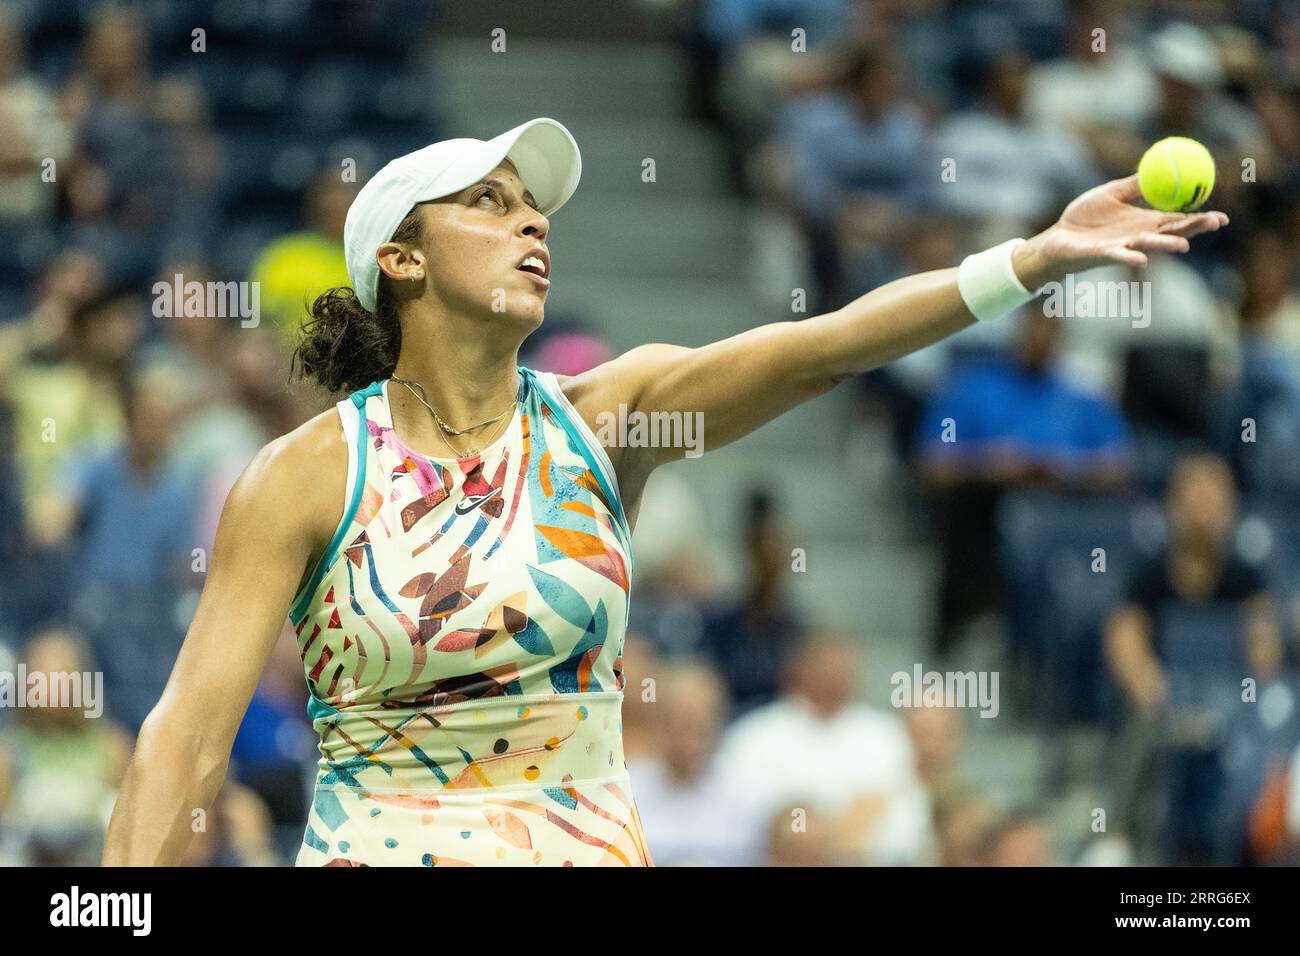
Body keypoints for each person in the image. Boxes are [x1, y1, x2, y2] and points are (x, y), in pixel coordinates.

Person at [103, 116, 1227, 867]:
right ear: (400, 258)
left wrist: (1028, 259)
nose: (531, 220)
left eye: (532, 206)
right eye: (489, 204)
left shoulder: (604, 418)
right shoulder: (306, 474)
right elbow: (185, 740)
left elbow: (823, 346)